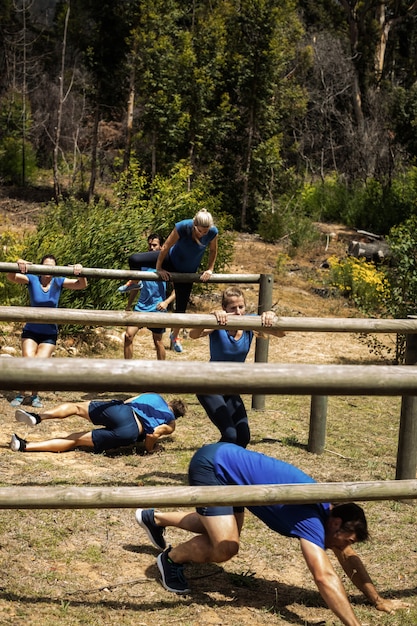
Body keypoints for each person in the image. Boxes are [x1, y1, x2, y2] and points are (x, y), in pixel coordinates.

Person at [135, 442, 409, 624]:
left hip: (229, 466)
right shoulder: (314, 520)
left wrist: (378, 600)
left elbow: (349, 558)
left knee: (219, 524)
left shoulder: (328, 510)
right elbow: (324, 577)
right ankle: (171, 559)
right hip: (215, 468)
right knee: (226, 546)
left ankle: (155, 517)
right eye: (346, 540)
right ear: (336, 523)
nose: (343, 547)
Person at [189, 286, 285, 447]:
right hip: (209, 385)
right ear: (224, 309)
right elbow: (193, 334)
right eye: (233, 308)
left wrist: (271, 316)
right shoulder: (218, 323)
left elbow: (281, 333)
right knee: (230, 434)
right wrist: (211, 317)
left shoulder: (250, 322)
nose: (238, 312)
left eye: (241, 307)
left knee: (243, 437)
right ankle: (207, 463)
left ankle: (226, 465)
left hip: (231, 387)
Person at [123, 209, 218, 353]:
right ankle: (135, 282)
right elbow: (166, 246)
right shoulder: (183, 226)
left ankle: (174, 336)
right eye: (200, 231)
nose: (203, 234)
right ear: (194, 225)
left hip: (187, 272)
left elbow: (213, 251)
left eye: (206, 231)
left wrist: (210, 269)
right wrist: (159, 268)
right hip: (170, 261)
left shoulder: (212, 232)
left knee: (181, 309)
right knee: (134, 259)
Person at [6, 255, 88, 408]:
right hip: (31, 329)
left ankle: (35, 396)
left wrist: (79, 270)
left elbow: (81, 285)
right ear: (40, 267)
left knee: (38, 363)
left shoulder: (58, 281)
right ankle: (21, 394)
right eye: (45, 266)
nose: (48, 269)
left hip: (49, 332)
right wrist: (17, 263)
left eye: (52, 266)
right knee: (28, 360)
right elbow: (11, 277)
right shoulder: (32, 279)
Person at [9, 393, 186, 454]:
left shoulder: (154, 396)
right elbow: (152, 434)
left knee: (76, 408)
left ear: (169, 403)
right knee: (76, 440)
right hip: (130, 431)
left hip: (123, 412)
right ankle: (24, 446)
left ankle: (38, 416)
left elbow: (128, 401)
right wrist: (150, 449)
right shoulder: (170, 423)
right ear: (176, 415)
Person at [123, 234, 176, 361]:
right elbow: (135, 285)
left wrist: (166, 302)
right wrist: (129, 305)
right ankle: (127, 368)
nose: (152, 248)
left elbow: (179, 289)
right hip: (141, 307)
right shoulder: (143, 263)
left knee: (157, 341)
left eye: (155, 245)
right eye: (150, 245)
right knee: (128, 336)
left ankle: (160, 371)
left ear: (161, 246)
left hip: (158, 307)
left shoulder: (167, 264)